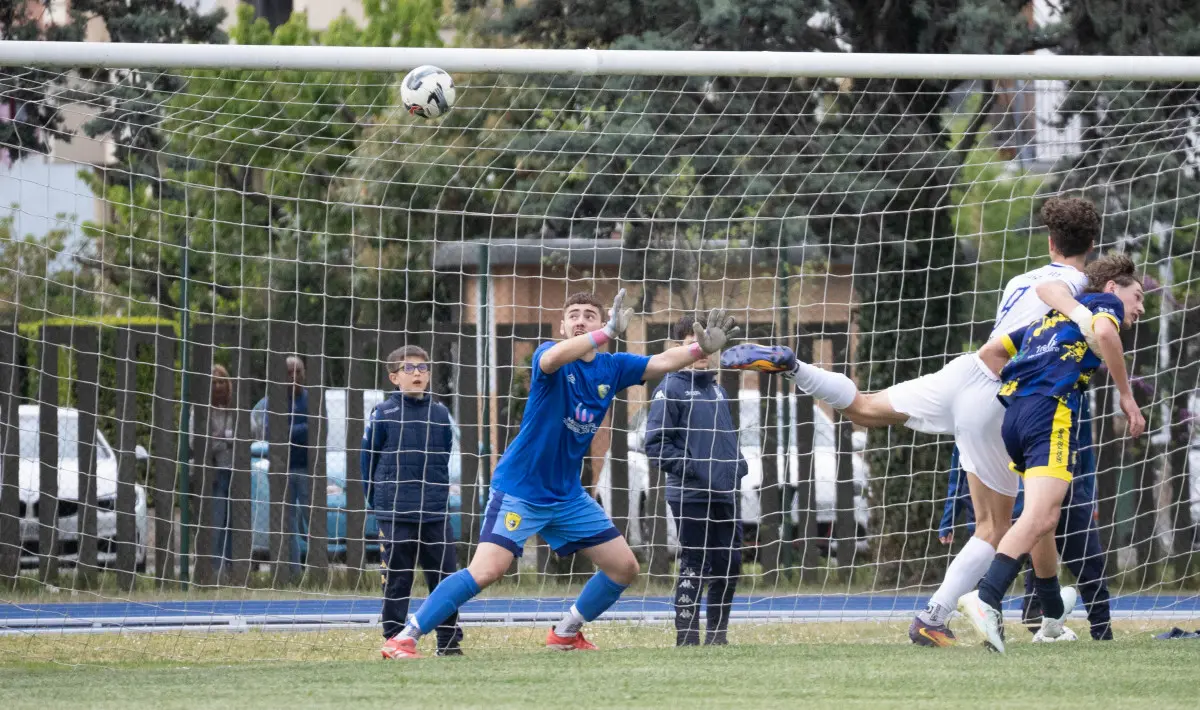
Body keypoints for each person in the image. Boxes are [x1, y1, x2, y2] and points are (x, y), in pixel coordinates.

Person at [722, 196, 1100, 647]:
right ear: (1091, 243)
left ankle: (796, 367)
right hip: (1002, 398)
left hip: (964, 372)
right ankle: (935, 615)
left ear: (1050, 240)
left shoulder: (1020, 279)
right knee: (998, 526)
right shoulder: (1079, 285)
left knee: (864, 406)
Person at [381, 289, 740, 659]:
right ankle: (405, 637)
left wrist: (700, 350)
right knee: (487, 571)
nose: (581, 319)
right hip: (522, 488)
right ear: (564, 325)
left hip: (566, 495)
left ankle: (566, 632)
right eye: (574, 314)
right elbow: (552, 358)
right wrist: (605, 334)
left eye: (589, 314)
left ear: (601, 322)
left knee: (624, 567)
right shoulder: (549, 356)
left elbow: (662, 360)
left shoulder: (612, 367)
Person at [960, 253, 1145, 653]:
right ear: (1113, 288)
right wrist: (1127, 399)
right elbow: (1107, 335)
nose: (1140, 307)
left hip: (1015, 417)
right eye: (1138, 296)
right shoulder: (1104, 305)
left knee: (1041, 518)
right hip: (1050, 414)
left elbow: (992, 354)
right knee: (1042, 515)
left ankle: (1050, 616)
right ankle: (986, 597)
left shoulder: (1045, 322)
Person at [940, 444, 1115, 641]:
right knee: (1004, 552)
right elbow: (964, 450)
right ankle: (993, 630)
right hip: (1012, 490)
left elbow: (1083, 446)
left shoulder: (1068, 419)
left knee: (1086, 558)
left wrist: (1085, 493)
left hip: (1064, 483)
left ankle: (1100, 632)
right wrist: (950, 513)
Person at [645, 314, 747, 647]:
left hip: (725, 492)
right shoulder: (670, 388)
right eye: (694, 340)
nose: (701, 349)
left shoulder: (717, 390)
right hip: (691, 494)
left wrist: (737, 466)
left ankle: (718, 637)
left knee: (729, 564)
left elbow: (725, 439)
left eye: (707, 342)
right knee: (695, 562)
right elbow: (657, 445)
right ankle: (686, 638)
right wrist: (695, 468)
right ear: (680, 346)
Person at [365, 346, 464, 659]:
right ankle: (395, 639)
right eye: (409, 368)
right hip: (396, 512)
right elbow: (367, 461)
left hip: (434, 512)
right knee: (397, 579)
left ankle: (448, 642)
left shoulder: (439, 413)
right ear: (394, 377)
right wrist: (379, 502)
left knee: (445, 580)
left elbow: (445, 453)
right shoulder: (383, 413)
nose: (417, 373)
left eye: (422, 368)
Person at [252, 355, 310, 575]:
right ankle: (295, 572)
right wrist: (301, 428)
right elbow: (270, 432)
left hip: (306, 469)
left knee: (312, 522)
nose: (294, 376)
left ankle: (316, 569)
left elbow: (317, 428)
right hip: (280, 470)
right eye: (289, 372)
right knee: (288, 524)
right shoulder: (271, 402)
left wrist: (289, 430)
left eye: (299, 371)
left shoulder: (312, 399)